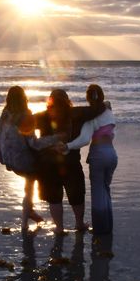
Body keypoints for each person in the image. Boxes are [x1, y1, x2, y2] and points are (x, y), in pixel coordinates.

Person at [34, 89, 104, 233]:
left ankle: (59, 227)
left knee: (54, 197)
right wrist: (105, 105)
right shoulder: (76, 113)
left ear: (50, 101)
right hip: (71, 162)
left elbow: (23, 124)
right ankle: (79, 224)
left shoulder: (42, 116)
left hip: (48, 164)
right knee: (77, 195)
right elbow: (96, 109)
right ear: (67, 100)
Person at [0, 86, 60, 232]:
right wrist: (54, 139)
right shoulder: (26, 115)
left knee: (29, 180)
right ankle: (25, 222)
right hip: (21, 161)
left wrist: (1, 156)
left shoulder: (5, 114)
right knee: (40, 172)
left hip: (7, 158)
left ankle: (29, 210)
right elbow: (34, 144)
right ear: (24, 98)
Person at [63, 84, 117, 235]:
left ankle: (100, 229)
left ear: (88, 98)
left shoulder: (91, 117)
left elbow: (84, 139)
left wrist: (67, 146)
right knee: (106, 190)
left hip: (98, 155)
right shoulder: (109, 112)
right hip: (112, 154)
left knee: (98, 191)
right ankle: (108, 225)